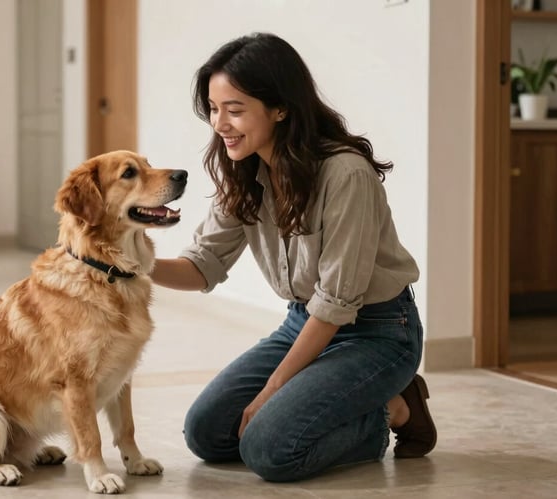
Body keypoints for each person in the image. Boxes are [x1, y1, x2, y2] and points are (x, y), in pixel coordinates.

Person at [150, 32, 437, 482]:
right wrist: (129, 264)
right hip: (303, 323)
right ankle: (349, 398)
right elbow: (202, 265)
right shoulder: (244, 171)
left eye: (235, 109)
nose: (219, 123)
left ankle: (394, 407)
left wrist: (273, 389)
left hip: (378, 333)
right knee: (206, 434)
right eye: (213, 108)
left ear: (280, 107)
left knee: (269, 450)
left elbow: (335, 303)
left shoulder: (346, 175)